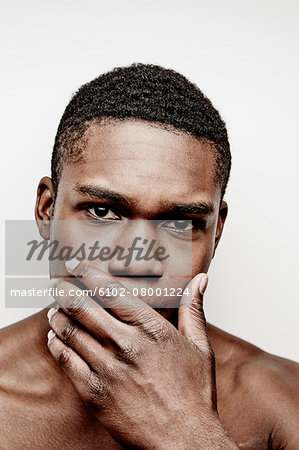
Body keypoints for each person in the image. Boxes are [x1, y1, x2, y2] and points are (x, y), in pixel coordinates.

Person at [1, 63, 298, 449]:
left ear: (216, 231)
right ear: (46, 210)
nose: (137, 263)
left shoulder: (280, 403)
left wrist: (189, 432)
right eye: (103, 212)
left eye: (179, 222)